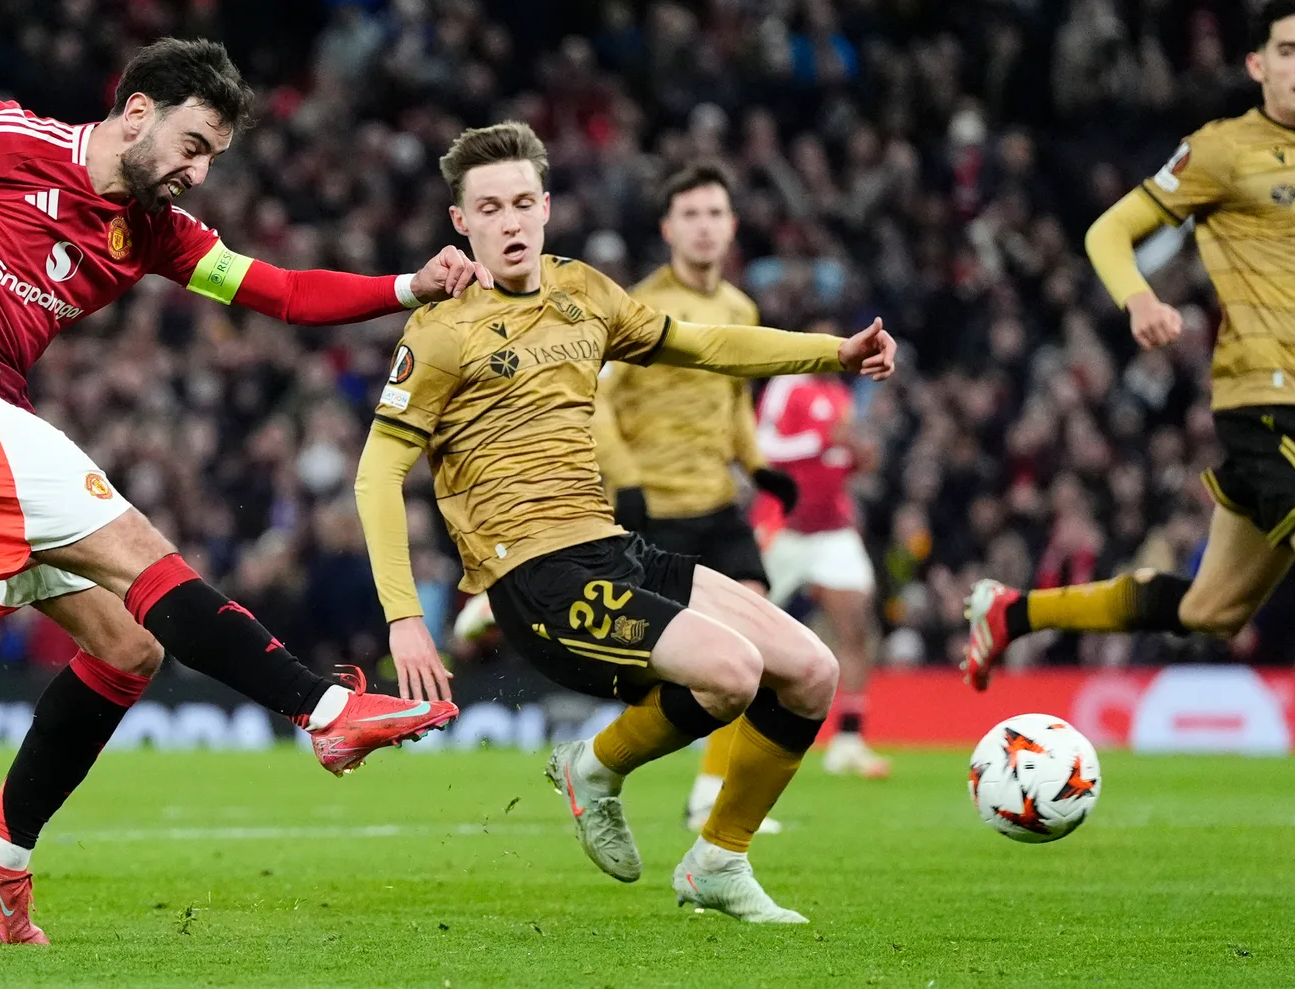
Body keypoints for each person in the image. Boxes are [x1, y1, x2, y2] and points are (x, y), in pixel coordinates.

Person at [0, 38, 478, 945]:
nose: (198, 172)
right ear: (138, 112)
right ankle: (322, 710)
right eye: (193, 145)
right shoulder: (10, 140)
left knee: (126, 649)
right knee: (142, 549)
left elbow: (277, 291)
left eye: (213, 159)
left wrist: (409, 285)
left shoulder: (153, 231)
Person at [355, 123, 896, 923]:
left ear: (547, 207)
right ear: (460, 221)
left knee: (811, 668)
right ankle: (596, 768)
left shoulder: (586, 291)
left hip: (613, 548)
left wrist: (832, 354)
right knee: (732, 670)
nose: (510, 222)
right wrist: (405, 618)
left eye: (522, 203)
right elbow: (376, 473)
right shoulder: (440, 330)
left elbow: (703, 344)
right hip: (532, 576)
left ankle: (718, 859)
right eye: (489, 207)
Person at [962, 0, 1295, 750]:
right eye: (1286, 52)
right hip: (1270, 404)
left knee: (1210, 610)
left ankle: (1012, 612)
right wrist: (1138, 301)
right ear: (1256, 64)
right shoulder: (1222, 150)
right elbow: (1110, 232)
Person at [585, 163, 801, 830]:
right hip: (655, 508)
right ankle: (601, 759)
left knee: (756, 641)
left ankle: (711, 792)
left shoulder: (742, 309)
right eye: (691, 215)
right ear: (668, 228)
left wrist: (758, 466)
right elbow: (597, 400)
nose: (705, 227)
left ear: (732, 225)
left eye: (715, 213)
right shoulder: (640, 308)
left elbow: (734, 398)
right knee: (693, 668)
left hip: (716, 503)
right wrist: (625, 481)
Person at [751, 335, 891, 780]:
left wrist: (859, 456)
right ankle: (716, 727)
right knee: (744, 630)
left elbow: (837, 459)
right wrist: (820, 439)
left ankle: (849, 740)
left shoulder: (839, 397)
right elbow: (763, 445)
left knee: (855, 629)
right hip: (783, 526)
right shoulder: (787, 384)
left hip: (833, 530)